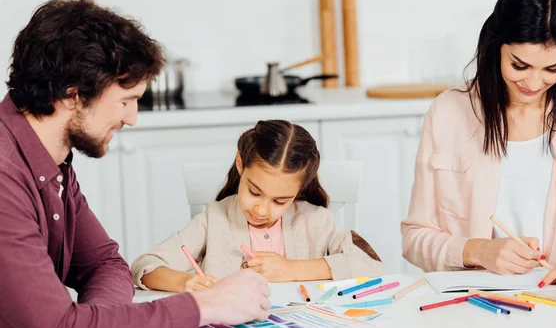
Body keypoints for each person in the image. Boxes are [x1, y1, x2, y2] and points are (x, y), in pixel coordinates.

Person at [0, 0, 270, 328]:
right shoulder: (4, 177)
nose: (132, 118)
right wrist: (202, 306)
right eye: (126, 100)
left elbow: (105, 265)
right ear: (72, 95)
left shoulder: (49, 160)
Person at [402, 0, 556, 288]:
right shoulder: (450, 113)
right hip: (478, 303)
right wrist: (478, 251)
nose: (534, 83)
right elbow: (414, 240)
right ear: (495, 47)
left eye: (552, 69)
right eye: (519, 66)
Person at [131, 119, 383, 293]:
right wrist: (186, 281)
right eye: (254, 191)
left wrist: (291, 270)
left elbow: (370, 264)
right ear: (241, 165)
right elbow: (144, 266)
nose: (262, 210)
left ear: (299, 190)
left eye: (279, 201)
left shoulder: (315, 220)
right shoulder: (215, 219)